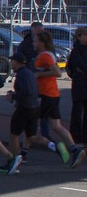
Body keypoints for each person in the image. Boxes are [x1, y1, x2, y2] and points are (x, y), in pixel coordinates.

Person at [31, 31, 84, 167]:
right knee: (56, 126)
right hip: (52, 94)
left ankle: (22, 154)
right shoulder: (46, 54)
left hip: (46, 95)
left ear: (42, 43)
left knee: (28, 125)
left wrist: (38, 74)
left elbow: (57, 72)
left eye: (35, 41)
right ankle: (75, 149)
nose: (33, 43)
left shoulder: (45, 56)